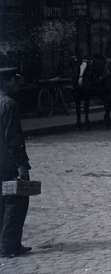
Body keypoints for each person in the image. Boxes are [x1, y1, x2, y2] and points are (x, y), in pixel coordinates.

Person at [0, 68, 31, 258]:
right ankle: (9, 246)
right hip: (7, 163)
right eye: (14, 81)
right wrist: (22, 165)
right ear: (5, 82)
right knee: (16, 202)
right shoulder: (9, 104)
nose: (17, 85)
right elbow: (13, 139)